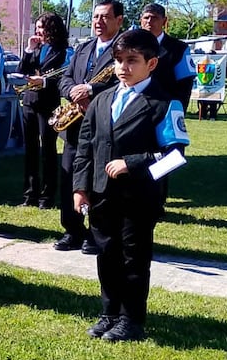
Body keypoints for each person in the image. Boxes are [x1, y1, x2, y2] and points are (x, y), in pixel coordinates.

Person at [74, 29, 190, 342]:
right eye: (118, 60)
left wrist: (134, 163)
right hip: (102, 194)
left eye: (132, 60)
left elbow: (175, 156)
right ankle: (110, 312)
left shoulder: (164, 104)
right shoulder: (101, 100)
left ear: (151, 64)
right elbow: (85, 147)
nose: (123, 67)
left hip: (139, 197)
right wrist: (80, 187)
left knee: (132, 260)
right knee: (106, 255)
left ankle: (131, 319)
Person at [55, 0, 123, 255]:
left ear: (119, 21)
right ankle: (72, 230)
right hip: (74, 126)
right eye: (95, 16)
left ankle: (95, 234)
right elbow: (65, 77)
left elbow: (122, 82)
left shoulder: (123, 48)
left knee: (97, 181)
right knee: (69, 177)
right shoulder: (83, 48)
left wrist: (91, 90)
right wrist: (73, 91)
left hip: (103, 126)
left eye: (105, 17)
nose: (98, 21)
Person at [18, 12, 69, 209]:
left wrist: (45, 81)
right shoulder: (36, 48)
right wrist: (29, 49)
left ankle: (47, 196)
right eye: (37, 27)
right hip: (29, 102)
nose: (38, 31)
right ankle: (30, 194)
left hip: (48, 104)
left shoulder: (62, 50)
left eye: (42, 27)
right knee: (30, 150)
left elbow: (63, 77)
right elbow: (22, 70)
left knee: (48, 150)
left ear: (52, 28)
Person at [139, 3, 196, 107]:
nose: (149, 21)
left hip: (163, 108)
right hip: (133, 107)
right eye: (146, 18)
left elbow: (185, 84)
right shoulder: (130, 46)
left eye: (154, 18)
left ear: (164, 21)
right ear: (140, 20)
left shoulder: (179, 48)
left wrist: (177, 110)